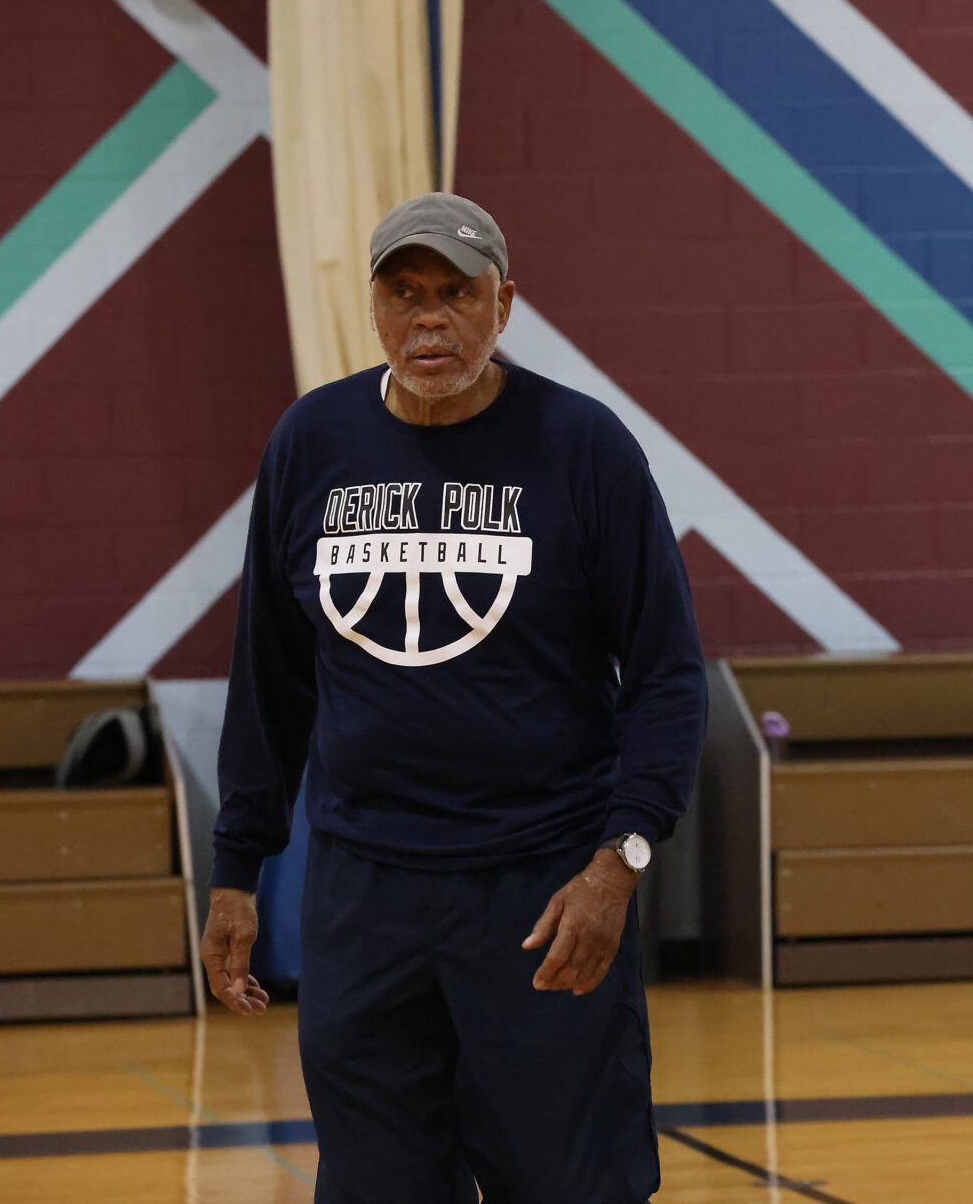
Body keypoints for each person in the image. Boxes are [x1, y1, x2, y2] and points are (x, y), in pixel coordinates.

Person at [197, 192, 707, 1203]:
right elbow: (269, 677)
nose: (431, 319)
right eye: (406, 294)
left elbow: (667, 676)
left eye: (456, 293)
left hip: (542, 889)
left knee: (570, 1186)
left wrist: (620, 861)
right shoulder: (311, 442)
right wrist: (236, 866)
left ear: (503, 304)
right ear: (375, 310)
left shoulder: (585, 446)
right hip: (362, 891)